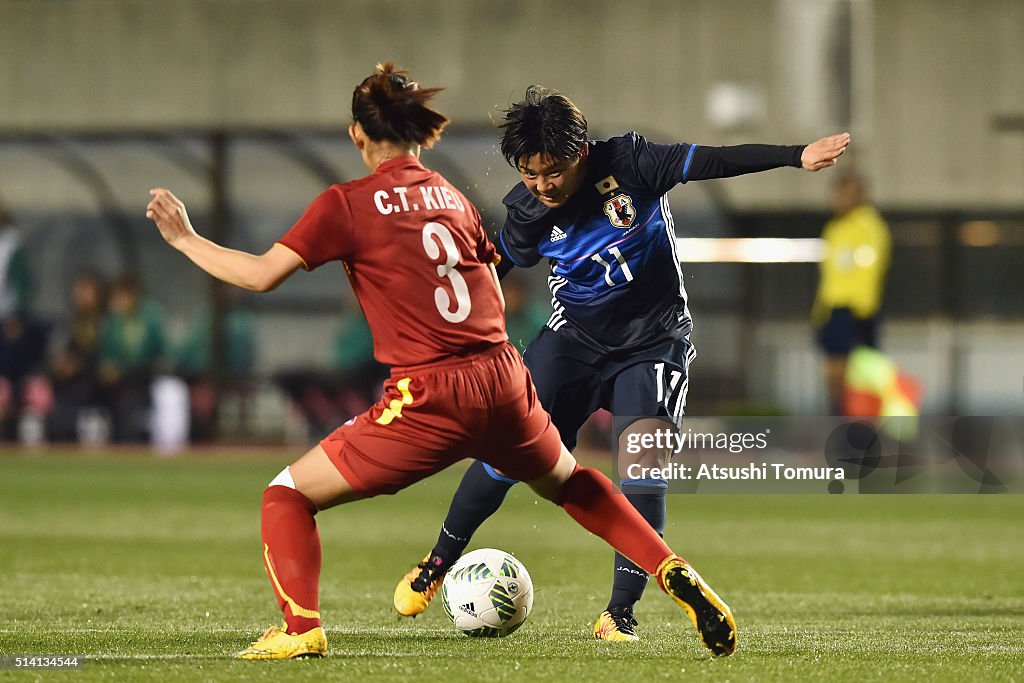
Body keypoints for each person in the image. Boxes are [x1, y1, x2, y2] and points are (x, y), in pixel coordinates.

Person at [145, 64, 738, 661]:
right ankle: (670, 569)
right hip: (504, 374)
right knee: (573, 481)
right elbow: (489, 278)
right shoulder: (452, 196)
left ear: (357, 134)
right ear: (420, 134)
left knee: (286, 496)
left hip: (430, 391)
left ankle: (301, 629)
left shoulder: (345, 203)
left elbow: (259, 275)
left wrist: (185, 239)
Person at [393, 86, 850, 642]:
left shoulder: (633, 163)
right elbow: (490, 275)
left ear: (581, 151)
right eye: (530, 173)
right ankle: (438, 563)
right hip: (574, 341)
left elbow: (711, 160)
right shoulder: (528, 211)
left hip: (655, 341)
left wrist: (795, 154)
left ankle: (619, 614)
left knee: (643, 470)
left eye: (553, 171)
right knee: (508, 452)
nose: (543, 185)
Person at [811, 171, 890, 414]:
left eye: (844, 194)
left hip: (854, 309)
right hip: (833, 308)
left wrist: (861, 311)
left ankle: (857, 428)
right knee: (835, 373)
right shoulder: (835, 228)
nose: (838, 200)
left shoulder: (869, 226)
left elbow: (870, 269)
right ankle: (842, 421)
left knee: (853, 374)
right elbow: (831, 275)